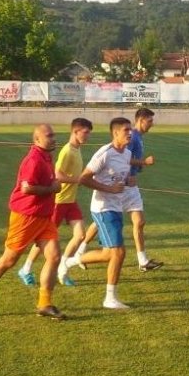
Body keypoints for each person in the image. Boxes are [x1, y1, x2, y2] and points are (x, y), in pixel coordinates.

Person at [0, 124, 66, 320]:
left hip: (44, 217)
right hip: (26, 216)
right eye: (49, 136)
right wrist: (52, 188)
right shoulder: (33, 160)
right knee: (9, 260)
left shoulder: (46, 156)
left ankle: (44, 303)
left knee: (54, 256)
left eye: (54, 135)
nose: (53, 138)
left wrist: (53, 187)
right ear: (37, 140)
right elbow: (27, 188)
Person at [73, 108, 163, 272]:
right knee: (106, 231)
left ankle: (142, 260)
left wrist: (134, 171)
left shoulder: (135, 138)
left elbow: (126, 159)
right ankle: (78, 254)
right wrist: (141, 165)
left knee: (137, 223)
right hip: (120, 188)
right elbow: (124, 160)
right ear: (141, 120)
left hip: (126, 185)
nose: (152, 123)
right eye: (150, 120)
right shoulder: (131, 139)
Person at [62, 117, 134, 309]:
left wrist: (128, 181)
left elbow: (119, 177)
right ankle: (110, 298)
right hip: (103, 208)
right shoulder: (104, 153)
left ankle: (71, 261)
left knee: (108, 254)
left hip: (116, 207)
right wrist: (108, 189)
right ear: (115, 133)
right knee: (118, 252)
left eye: (131, 130)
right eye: (126, 130)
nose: (130, 133)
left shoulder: (127, 154)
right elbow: (84, 178)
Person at [18, 118, 94, 286]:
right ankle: (26, 268)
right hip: (59, 202)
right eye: (85, 132)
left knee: (81, 235)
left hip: (71, 201)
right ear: (75, 132)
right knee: (43, 239)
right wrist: (78, 180)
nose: (88, 136)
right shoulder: (67, 151)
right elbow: (57, 175)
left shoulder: (77, 149)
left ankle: (63, 269)